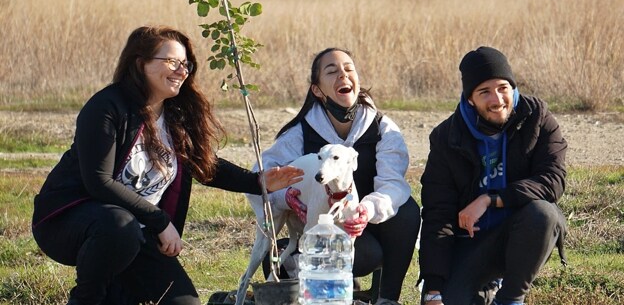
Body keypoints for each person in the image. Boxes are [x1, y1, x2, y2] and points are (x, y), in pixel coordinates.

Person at [31, 26, 303, 305]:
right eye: (172, 62)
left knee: (184, 303)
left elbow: (205, 165)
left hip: (136, 232)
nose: (182, 71)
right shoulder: (107, 106)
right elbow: (99, 181)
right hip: (69, 222)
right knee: (118, 226)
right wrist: (160, 221)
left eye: (186, 64)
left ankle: (118, 292)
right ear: (141, 64)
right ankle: (86, 299)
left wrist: (258, 182)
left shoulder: (175, 116)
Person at [258, 47, 421, 305]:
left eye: (348, 69)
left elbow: (393, 186)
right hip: (321, 229)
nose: (342, 75)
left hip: (368, 225)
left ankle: (387, 298)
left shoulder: (383, 128)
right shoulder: (300, 133)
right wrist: (289, 198)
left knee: (409, 211)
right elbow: (264, 178)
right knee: (363, 253)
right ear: (317, 90)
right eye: (332, 71)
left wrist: (366, 210)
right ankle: (301, 273)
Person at [418, 46, 568, 305]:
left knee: (544, 214)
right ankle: (483, 289)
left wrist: (490, 199)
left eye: (502, 88)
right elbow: (437, 212)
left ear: (513, 88)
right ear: (470, 99)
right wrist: (433, 289)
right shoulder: (446, 137)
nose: (497, 100)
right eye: (484, 92)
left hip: (519, 235)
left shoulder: (538, 118)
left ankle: (509, 299)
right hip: (469, 244)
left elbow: (552, 181)